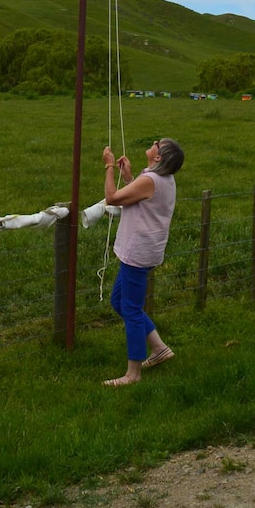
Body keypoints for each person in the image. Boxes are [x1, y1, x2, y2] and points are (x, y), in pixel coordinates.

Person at [101, 136, 185, 386]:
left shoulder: (151, 179)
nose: (154, 143)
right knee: (120, 301)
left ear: (158, 157)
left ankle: (133, 374)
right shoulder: (162, 178)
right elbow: (144, 199)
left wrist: (108, 166)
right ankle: (159, 349)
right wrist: (128, 177)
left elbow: (112, 198)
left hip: (137, 253)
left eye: (157, 145)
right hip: (143, 251)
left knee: (132, 311)